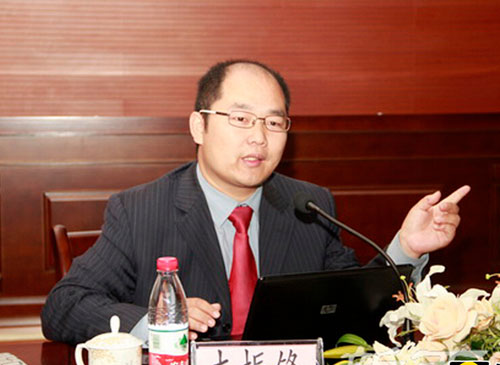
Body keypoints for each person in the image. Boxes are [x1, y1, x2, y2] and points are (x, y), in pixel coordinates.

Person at [41, 60, 470, 345]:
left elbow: (355, 309)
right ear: (199, 127)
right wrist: (156, 320)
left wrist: (406, 248)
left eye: (274, 122)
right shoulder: (139, 210)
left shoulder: (309, 206)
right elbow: (64, 306)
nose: (259, 138)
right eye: (241, 119)